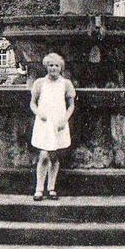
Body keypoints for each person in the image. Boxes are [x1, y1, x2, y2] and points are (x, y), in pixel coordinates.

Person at [29, 53, 76, 201]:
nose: (53, 68)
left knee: (54, 156)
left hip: (58, 123)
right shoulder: (39, 83)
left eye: (56, 65)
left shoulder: (66, 84)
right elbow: (32, 103)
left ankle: (51, 188)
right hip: (44, 122)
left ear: (61, 68)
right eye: (50, 65)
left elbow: (71, 105)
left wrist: (65, 120)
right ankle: (39, 189)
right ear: (46, 67)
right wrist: (38, 113)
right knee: (43, 155)